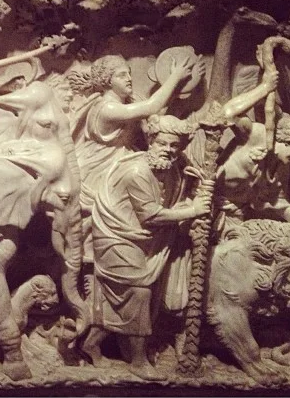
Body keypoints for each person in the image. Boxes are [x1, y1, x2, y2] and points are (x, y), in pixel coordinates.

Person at [82, 115, 211, 380]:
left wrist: (197, 187)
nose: (168, 150)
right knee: (139, 293)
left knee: (125, 299)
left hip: (143, 239)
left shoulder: (172, 167)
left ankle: (92, 343)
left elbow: (173, 199)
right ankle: (138, 362)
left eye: (174, 145)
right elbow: (151, 215)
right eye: (162, 143)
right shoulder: (137, 171)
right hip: (117, 238)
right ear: (150, 141)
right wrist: (194, 210)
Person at [68, 54, 195, 262]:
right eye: (121, 75)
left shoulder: (126, 103)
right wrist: (175, 77)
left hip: (119, 163)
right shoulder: (107, 107)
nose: (129, 78)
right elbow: (152, 107)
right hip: (99, 169)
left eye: (129, 73)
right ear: (107, 81)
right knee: (95, 226)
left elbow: (154, 116)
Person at [216, 113, 290, 233]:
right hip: (204, 199)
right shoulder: (258, 135)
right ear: (285, 141)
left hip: (233, 215)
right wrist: (262, 97)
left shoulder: (281, 169)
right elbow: (229, 113)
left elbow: (279, 203)